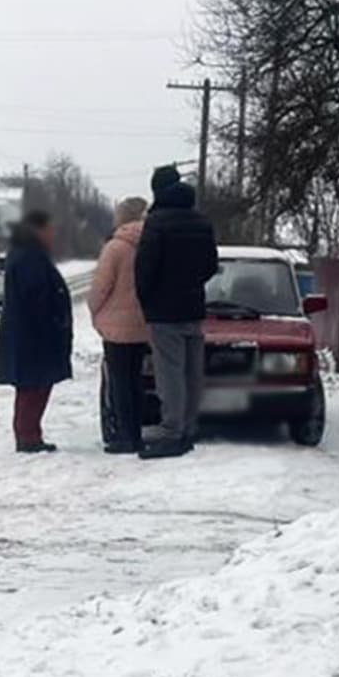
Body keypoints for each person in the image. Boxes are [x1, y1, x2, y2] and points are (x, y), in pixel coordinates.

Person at [134, 165, 220, 460]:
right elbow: (210, 265)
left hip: (164, 311)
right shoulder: (202, 221)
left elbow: (144, 269)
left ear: (157, 190)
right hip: (193, 307)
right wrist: (191, 283)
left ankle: (171, 429)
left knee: (169, 372)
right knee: (191, 370)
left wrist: (148, 301)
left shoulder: (156, 223)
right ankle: (189, 423)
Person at [0, 210, 73, 453]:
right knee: (32, 387)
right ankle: (28, 436)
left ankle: (30, 434)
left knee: (33, 386)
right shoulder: (30, 256)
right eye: (50, 229)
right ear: (38, 230)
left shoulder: (28, 253)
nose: (53, 234)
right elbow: (36, 296)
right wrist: (53, 321)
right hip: (33, 336)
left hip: (30, 334)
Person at [89, 197, 150, 454]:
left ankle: (125, 435)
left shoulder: (115, 248)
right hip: (142, 324)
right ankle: (137, 431)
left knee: (119, 382)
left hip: (116, 326)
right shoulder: (150, 243)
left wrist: (95, 310)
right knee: (136, 380)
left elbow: (100, 287)